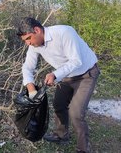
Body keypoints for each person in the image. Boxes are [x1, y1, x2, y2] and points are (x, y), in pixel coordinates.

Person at [16, 17, 100, 153]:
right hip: (66, 75)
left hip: (86, 74)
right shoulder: (34, 46)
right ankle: (61, 136)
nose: (28, 43)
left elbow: (76, 61)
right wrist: (31, 90)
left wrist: (55, 74)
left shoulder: (64, 32)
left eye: (28, 38)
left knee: (76, 113)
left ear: (37, 30)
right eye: (25, 40)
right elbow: (27, 67)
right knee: (59, 105)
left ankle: (83, 149)